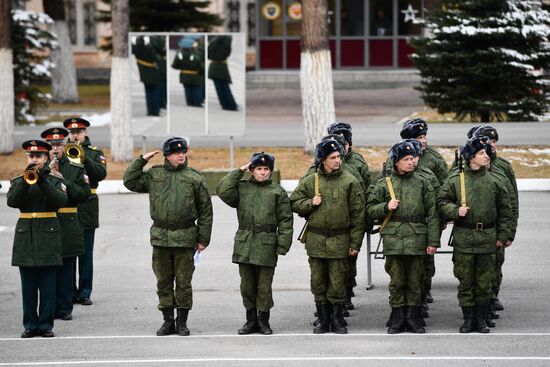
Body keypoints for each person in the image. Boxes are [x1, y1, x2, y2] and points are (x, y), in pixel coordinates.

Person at [123, 137, 213, 336]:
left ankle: (182, 322)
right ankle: (167, 321)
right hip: (161, 237)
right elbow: (129, 181)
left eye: (183, 152)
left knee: (183, 282)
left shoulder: (194, 177)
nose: (180, 156)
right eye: (175, 153)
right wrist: (141, 160)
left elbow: (206, 211)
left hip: (185, 236)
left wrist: (203, 239)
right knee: (163, 281)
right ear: (167, 155)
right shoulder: (155, 175)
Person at [290, 139, 365, 334]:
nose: (338, 160)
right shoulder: (312, 180)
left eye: (339, 156)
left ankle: (337, 319)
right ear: (323, 160)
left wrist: (355, 244)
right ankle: (323, 319)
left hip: (340, 240)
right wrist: (310, 203)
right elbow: (294, 202)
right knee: (318, 282)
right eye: (333, 158)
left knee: (338, 282)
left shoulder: (350, 181)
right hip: (316, 241)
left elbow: (359, 216)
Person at [438, 137, 513, 333]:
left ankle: (481, 320)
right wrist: (455, 211)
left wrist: (503, 236)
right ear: (471, 157)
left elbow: (506, 210)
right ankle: (468, 319)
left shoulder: (496, 180)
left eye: (486, 153)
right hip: (464, 238)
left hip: (487, 238)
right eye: (481, 153)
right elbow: (442, 201)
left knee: (484, 282)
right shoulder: (456, 179)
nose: (486, 156)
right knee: (465, 282)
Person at [367, 141, 440, 334]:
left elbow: (433, 213)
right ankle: (398, 317)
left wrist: (433, 241)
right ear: (396, 162)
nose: (411, 163)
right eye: (406, 159)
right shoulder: (385, 183)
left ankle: (414, 318)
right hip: (394, 239)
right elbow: (369, 209)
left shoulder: (423, 182)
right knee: (397, 281)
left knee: (416, 280)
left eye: (412, 159)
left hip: (417, 238)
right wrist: (385, 207)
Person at [217, 152, 293, 335]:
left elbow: (286, 220)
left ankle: (264, 321)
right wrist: (239, 171)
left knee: (264, 286)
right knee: (247, 286)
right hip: (245, 243)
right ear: (251, 170)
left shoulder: (277, 192)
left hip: (267, 244)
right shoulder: (242, 188)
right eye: (258, 169)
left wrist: (282, 244)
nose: (263, 173)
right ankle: (250, 321)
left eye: (266, 169)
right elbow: (222, 190)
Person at [7, 140, 67, 338]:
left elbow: (60, 201)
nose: (34, 160)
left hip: (48, 235)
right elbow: (12, 201)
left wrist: (42, 181)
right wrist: (25, 181)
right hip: (26, 237)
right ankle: (30, 325)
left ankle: (46, 325)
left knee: (48, 287)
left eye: (38, 156)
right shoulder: (18, 181)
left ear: (46, 158)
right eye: (31, 156)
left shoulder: (56, 180)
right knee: (29, 288)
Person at [41, 127, 90, 321]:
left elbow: (82, 195)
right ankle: (48, 308)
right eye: (51, 145)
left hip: (68, 221)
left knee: (67, 267)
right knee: (48, 268)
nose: (55, 148)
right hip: (46, 220)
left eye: (59, 144)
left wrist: (63, 180)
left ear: (65, 145)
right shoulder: (37, 168)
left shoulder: (75, 167)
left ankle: (64, 307)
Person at [400, 118, 448, 305]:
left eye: (425, 136)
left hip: (428, 216)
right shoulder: (398, 155)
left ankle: (425, 289)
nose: (424, 140)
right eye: (420, 137)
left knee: (427, 258)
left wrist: (441, 216)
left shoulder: (435, 158)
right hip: (402, 217)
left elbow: (445, 187)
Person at [473, 125, 518, 313]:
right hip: (473, 229)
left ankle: (492, 297)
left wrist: (510, 233)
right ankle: (478, 303)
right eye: (486, 142)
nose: (491, 145)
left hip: (497, 227)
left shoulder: (503, 167)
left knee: (495, 264)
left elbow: (512, 203)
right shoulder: (468, 163)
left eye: (493, 141)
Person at [326, 122, 371, 311]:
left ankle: (346, 291)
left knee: (347, 262)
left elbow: (366, 190)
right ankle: (329, 301)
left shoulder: (356, 165)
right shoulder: (319, 166)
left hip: (349, 221)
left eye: (344, 144)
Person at [63, 117, 107, 306]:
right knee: (68, 251)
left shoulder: (95, 152)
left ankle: (84, 292)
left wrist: (83, 156)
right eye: (72, 132)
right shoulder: (61, 152)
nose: (75, 135)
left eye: (78, 131)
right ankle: (69, 291)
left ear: (85, 132)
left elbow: (100, 174)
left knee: (86, 253)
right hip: (67, 205)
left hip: (88, 205)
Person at [132, 36, 162, 116]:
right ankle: (155, 111)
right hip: (153, 73)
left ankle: (150, 111)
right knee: (155, 93)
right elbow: (156, 59)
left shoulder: (135, 49)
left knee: (148, 94)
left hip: (144, 74)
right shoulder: (149, 48)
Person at [172, 37, 205, 107]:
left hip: (184, 75)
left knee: (187, 90)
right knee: (196, 89)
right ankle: (197, 103)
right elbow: (200, 66)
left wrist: (182, 67)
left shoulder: (179, 54)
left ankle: (189, 103)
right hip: (195, 76)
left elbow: (174, 65)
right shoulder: (196, 54)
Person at [208, 35, 237, 111]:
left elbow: (208, 55)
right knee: (225, 87)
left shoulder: (212, 42)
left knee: (219, 89)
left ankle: (224, 105)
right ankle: (231, 105)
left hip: (213, 67)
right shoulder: (227, 42)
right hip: (222, 67)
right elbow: (227, 53)